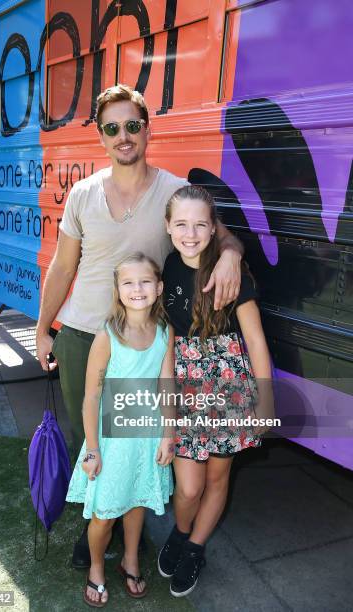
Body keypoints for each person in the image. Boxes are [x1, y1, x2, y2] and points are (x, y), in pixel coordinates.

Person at [35, 84, 244, 568]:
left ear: (147, 129)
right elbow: (63, 268)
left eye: (132, 125)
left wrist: (231, 255)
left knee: (132, 438)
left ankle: (125, 528)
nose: (123, 136)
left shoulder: (173, 191)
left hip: (141, 342)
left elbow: (222, 234)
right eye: (112, 128)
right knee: (89, 436)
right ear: (101, 137)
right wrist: (45, 328)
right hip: (83, 334)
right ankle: (97, 527)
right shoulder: (83, 194)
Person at [158, 185, 273, 597]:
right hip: (186, 389)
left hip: (227, 385)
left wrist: (265, 403)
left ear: (213, 228)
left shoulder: (230, 273)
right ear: (168, 227)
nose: (191, 233)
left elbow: (256, 340)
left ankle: (194, 548)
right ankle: (182, 529)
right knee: (188, 486)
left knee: (218, 477)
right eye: (182, 224)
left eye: (200, 224)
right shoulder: (168, 267)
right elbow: (166, 339)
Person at [66, 253, 175, 607]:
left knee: (137, 500)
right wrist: (93, 449)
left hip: (146, 435)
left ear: (158, 288)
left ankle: (130, 559)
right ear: (117, 290)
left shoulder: (164, 332)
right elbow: (92, 395)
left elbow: (167, 384)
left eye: (145, 282)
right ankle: (96, 567)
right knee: (105, 512)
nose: (137, 289)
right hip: (111, 441)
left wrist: (168, 433)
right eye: (128, 282)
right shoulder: (107, 336)